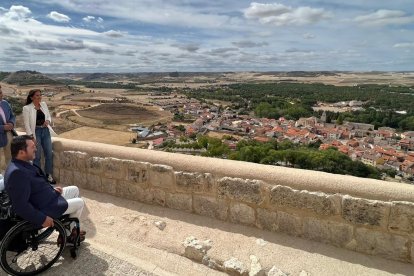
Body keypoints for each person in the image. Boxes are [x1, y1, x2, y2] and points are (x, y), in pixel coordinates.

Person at [4, 135, 85, 241]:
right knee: (80, 202)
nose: (36, 149)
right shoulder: (17, 173)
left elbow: (35, 184)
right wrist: (42, 219)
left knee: (75, 190)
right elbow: (21, 206)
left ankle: (67, 230)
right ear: (21, 152)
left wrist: (52, 189)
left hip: (46, 198)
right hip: (44, 208)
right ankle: (69, 236)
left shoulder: (19, 164)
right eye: (32, 147)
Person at [23, 89, 57, 184]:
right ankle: (38, 177)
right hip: (36, 132)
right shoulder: (27, 108)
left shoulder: (44, 104)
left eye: (40, 95)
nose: (39, 97)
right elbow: (27, 125)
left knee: (49, 154)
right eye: (37, 95)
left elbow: (49, 116)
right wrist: (31, 137)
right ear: (31, 97)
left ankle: (48, 175)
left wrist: (48, 121)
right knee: (36, 157)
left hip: (45, 131)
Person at [0, 84, 16, 168]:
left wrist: (11, 123)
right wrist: (3, 127)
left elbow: (12, 116)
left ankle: (9, 177)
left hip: (8, 135)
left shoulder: (5, 103)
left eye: (1, 92)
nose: (1, 95)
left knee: (10, 158)